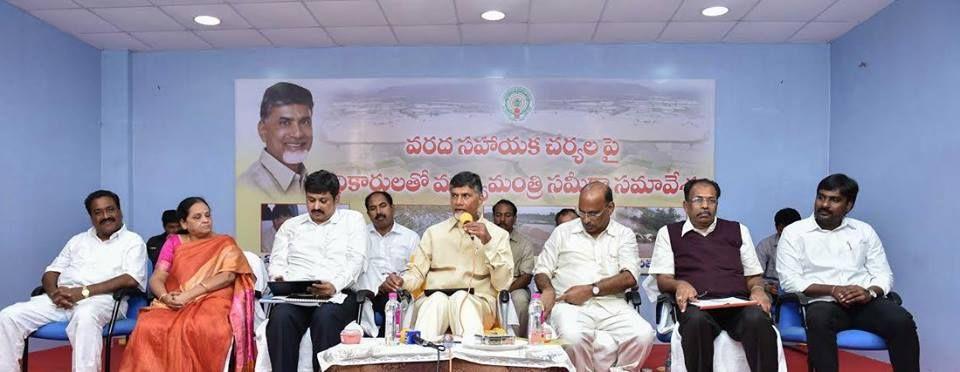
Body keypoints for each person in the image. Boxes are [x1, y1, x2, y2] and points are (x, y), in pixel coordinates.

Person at [777, 174, 919, 372]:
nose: (824, 204)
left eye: (834, 200)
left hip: (865, 303)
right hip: (824, 303)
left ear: (849, 205)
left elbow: (883, 274)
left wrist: (869, 292)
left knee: (902, 320)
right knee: (818, 318)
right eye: (821, 197)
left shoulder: (864, 231)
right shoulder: (794, 233)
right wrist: (833, 289)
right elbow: (790, 281)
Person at [0, 190, 147, 372]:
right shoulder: (77, 241)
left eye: (110, 210)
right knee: (8, 316)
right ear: (91, 216)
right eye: (98, 212)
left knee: (85, 317)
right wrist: (55, 294)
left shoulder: (133, 241)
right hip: (63, 299)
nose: (106, 216)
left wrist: (83, 292)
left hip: (103, 301)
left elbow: (131, 279)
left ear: (119, 211)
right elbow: (51, 272)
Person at [648, 178, 778, 372]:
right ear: (686, 205)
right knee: (695, 323)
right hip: (698, 307)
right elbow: (663, 280)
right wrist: (679, 285)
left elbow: (753, 276)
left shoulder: (738, 230)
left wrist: (758, 289)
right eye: (698, 200)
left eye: (711, 200)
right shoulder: (668, 233)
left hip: (737, 306)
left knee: (757, 319)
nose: (705, 206)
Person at [120, 197, 256, 372]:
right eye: (197, 217)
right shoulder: (174, 243)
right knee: (149, 325)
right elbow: (157, 277)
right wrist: (165, 297)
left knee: (206, 326)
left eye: (207, 215)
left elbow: (227, 276)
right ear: (184, 223)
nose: (205, 220)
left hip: (214, 298)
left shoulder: (225, 243)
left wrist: (188, 295)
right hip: (175, 300)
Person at [535, 182, 655, 371]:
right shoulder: (562, 233)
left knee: (644, 334)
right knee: (573, 337)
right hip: (569, 306)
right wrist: (548, 289)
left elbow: (629, 277)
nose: (586, 219)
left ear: (610, 208)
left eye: (593, 213)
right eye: (582, 212)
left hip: (612, 305)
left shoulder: (624, 235)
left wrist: (591, 290)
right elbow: (541, 270)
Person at [389, 171, 513, 341]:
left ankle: (471, 360)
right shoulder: (434, 233)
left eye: (465, 196)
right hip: (434, 300)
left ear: (481, 199)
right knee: (436, 300)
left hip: (477, 303)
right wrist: (402, 281)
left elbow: (502, 283)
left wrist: (488, 243)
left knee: (461, 299)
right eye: (454, 196)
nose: (458, 202)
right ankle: (422, 359)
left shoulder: (497, 235)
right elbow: (416, 274)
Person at [266, 170, 368, 372]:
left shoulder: (352, 221)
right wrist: (279, 279)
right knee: (280, 318)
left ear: (337, 198)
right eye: (311, 200)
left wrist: (334, 286)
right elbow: (277, 262)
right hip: (296, 296)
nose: (316, 206)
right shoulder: (290, 226)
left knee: (326, 318)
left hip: (337, 295)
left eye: (323, 200)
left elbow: (357, 261)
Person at [239, 82, 314, 198]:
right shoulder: (247, 187)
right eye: (285, 123)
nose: (298, 134)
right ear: (263, 130)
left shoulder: (311, 181)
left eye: (305, 122)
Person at [364, 191, 419, 336]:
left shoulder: (410, 238)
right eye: (373, 208)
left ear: (392, 208)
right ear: (368, 213)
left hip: (397, 292)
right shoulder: (360, 236)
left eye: (383, 206)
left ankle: (388, 351)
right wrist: (378, 285)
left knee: (392, 306)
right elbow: (356, 269)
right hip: (367, 291)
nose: (379, 212)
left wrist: (399, 282)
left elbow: (416, 271)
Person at [492, 199, 536, 337]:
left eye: (507, 215)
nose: (502, 219)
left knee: (521, 300)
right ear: (493, 217)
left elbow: (526, 276)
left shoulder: (525, 243)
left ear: (515, 219)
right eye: (498, 215)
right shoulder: (484, 239)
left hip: (514, 286)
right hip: (486, 285)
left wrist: (505, 291)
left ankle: (519, 340)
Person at [754, 207, 801, 293]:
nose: (786, 234)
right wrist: (767, 287)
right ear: (777, 227)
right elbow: (755, 277)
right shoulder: (765, 245)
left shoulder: (806, 244)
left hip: (798, 288)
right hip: (770, 288)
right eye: (782, 230)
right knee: (761, 301)